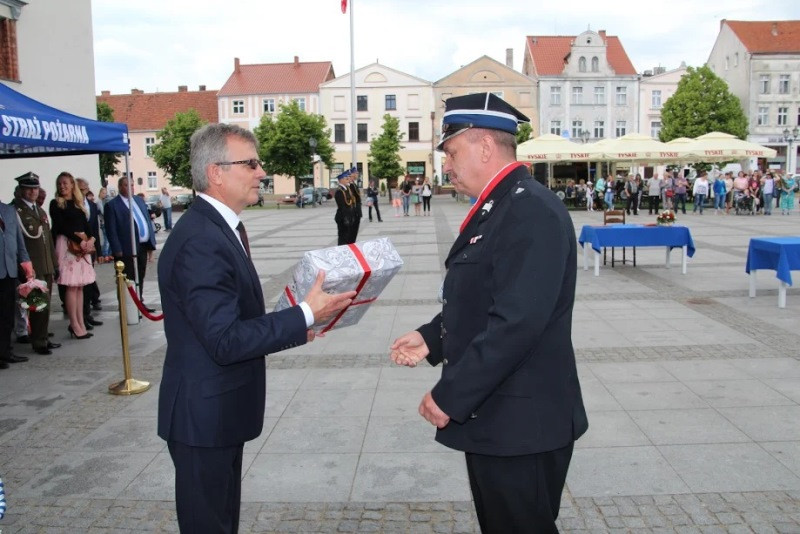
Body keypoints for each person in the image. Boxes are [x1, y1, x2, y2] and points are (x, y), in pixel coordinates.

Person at [390, 93, 588, 533]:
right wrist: (432, 337)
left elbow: (517, 322)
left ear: (484, 146)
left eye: (452, 152)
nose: (447, 165)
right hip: (502, 418)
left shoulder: (528, 209)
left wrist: (450, 395)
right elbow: (486, 298)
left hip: (522, 424)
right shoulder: (500, 206)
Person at [157, 123, 355, 533]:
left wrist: (300, 323)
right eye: (250, 163)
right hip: (203, 418)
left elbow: (233, 320)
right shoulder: (201, 240)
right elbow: (224, 340)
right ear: (215, 172)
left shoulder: (221, 227)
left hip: (220, 412)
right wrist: (302, 314)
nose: (261, 171)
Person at [12, 173, 61, 355]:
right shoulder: (16, 211)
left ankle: (43, 336)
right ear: (21, 190)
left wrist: (54, 264)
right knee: (36, 304)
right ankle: (39, 341)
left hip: (45, 264)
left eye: (35, 188)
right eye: (29, 188)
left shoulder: (38, 210)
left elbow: (48, 239)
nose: (33, 192)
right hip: (31, 267)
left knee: (44, 304)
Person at [49, 172, 95, 340]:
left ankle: (80, 321)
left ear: (72, 185)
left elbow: (86, 224)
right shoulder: (56, 204)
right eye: (59, 183)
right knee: (70, 285)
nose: (62, 186)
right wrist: (78, 240)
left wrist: (91, 240)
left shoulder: (78, 203)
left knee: (79, 286)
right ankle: (74, 324)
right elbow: (60, 226)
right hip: (67, 245)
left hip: (82, 244)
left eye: (65, 183)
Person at [104, 176, 157, 310]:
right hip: (125, 248)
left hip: (142, 245)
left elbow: (145, 219)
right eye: (127, 185)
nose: (131, 188)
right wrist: (117, 249)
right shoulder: (112, 205)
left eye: (132, 185)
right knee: (128, 277)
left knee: (140, 274)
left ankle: (139, 301)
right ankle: (127, 305)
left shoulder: (138, 200)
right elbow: (111, 229)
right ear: (120, 187)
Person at [75, 178, 103, 323]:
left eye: (85, 189)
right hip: (76, 251)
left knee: (88, 281)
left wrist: (98, 250)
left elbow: (94, 229)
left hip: (89, 249)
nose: (82, 191)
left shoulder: (91, 205)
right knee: (79, 285)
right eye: (80, 189)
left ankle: (87, 314)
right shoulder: (73, 206)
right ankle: (81, 316)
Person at [334, 170, 356, 245]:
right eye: (346, 179)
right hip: (342, 218)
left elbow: (351, 203)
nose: (348, 180)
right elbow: (342, 206)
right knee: (343, 238)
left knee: (348, 237)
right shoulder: (339, 191)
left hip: (348, 216)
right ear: (341, 180)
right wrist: (346, 218)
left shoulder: (346, 189)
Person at [348, 168, 362, 240]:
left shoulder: (353, 184)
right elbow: (353, 198)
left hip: (357, 207)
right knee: (353, 229)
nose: (357, 174)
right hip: (355, 208)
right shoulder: (351, 185)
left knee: (355, 230)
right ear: (352, 174)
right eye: (356, 173)